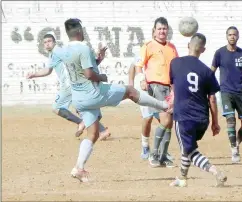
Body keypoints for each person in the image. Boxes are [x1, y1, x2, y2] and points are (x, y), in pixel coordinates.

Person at [60, 18, 170, 182]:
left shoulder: (65, 50)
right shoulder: (83, 48)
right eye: (82, 29)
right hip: (93, 93)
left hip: (79, 98)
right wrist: (101, 76)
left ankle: (79, 168)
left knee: (93, 133)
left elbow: (81, 68)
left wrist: (98, 60)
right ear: (78, 32)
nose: (83, 32)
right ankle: (165, 105)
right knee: (131, 91)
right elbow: (90, 75)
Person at [26, 32, 110, 140]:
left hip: (69, 85)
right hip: (78, 83)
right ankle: (102, 131)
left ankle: (81, 123)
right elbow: (48, 70)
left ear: (54, 42)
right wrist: (34, 75)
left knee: (57, 108)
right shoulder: (56, 53)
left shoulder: (58, 52)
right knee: (83, 108)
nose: (47, 44)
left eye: (49, 41)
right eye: (45, 42)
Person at [168, 33, 227, 187]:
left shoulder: (175, 63)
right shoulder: (207, 71)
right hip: (202, 119)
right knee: (187, 146)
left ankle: (215, 171)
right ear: (203, 49)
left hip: (184, 117)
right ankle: (182, 178)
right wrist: (215, 123)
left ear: (189, 45)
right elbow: (212, 99)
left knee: (190, 150)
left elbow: (173, 88)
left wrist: (174, 102)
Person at [211, 26, 242, 163]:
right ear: (226, 36)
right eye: (230, 34)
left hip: (241, 93)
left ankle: (236, 143)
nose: (232, 37)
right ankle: (233, 150)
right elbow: (211, 71)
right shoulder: (219, 53)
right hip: (226, 92)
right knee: (230, 119)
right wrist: (208, 86)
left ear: (238, 37)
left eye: (234, 35)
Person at [134, 17, 178, 168]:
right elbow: (139, 65)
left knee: (169, 123)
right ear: (154, 31)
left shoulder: (172, 47)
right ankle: (154, 154)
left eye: (164, 28)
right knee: (165, 121)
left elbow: (176, 68)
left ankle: (163, 155)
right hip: (156, 86)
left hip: (170, 88)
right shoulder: (148, 46)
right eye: (159, 29)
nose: (162, 31)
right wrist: (141, 79)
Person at [128, 31, 174, 161]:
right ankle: (145, 146)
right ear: (154, 32)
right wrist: (132, 84)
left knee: (164, 120)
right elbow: (134, 66)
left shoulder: (169, 49)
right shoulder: (146, 47)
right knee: (148, 118)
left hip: (163, 88)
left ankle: (162, 150)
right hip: (146, 89)